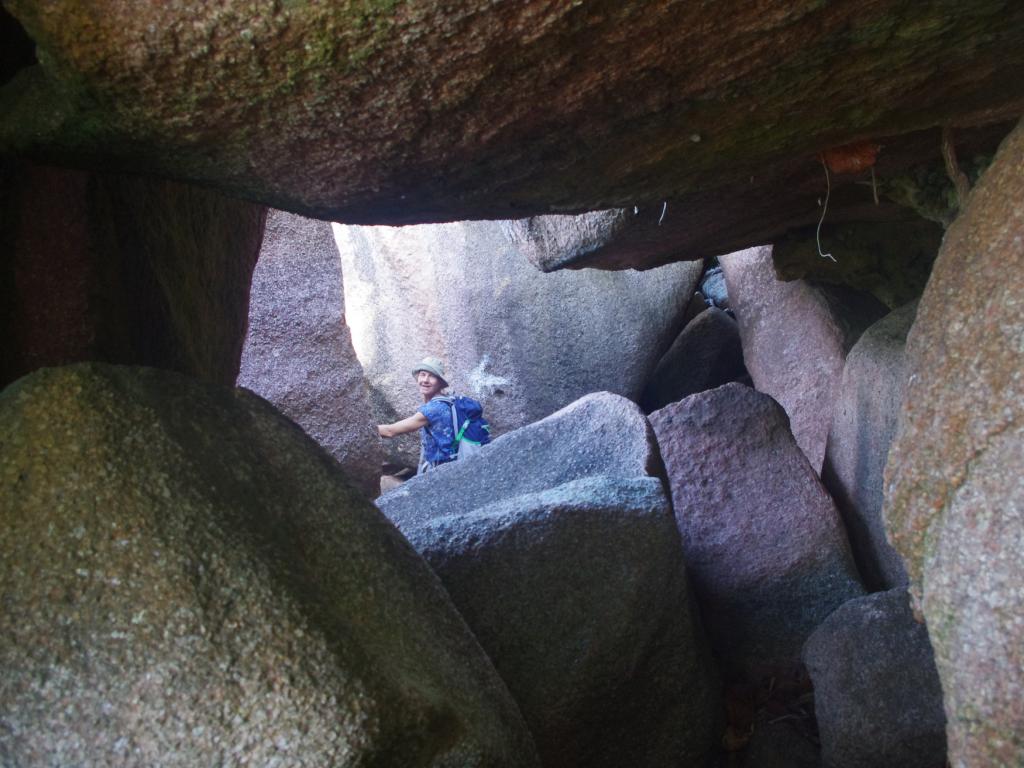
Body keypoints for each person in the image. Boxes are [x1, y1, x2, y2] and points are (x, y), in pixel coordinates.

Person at [377, 356, 459, 474]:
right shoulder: (447, 399)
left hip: (443, 470)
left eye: (432, 376)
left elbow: (390, 431)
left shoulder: (434, 408)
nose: (425, 380)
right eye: (423, 374)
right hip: (450, 464)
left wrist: (364, 429)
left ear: (440, 383)